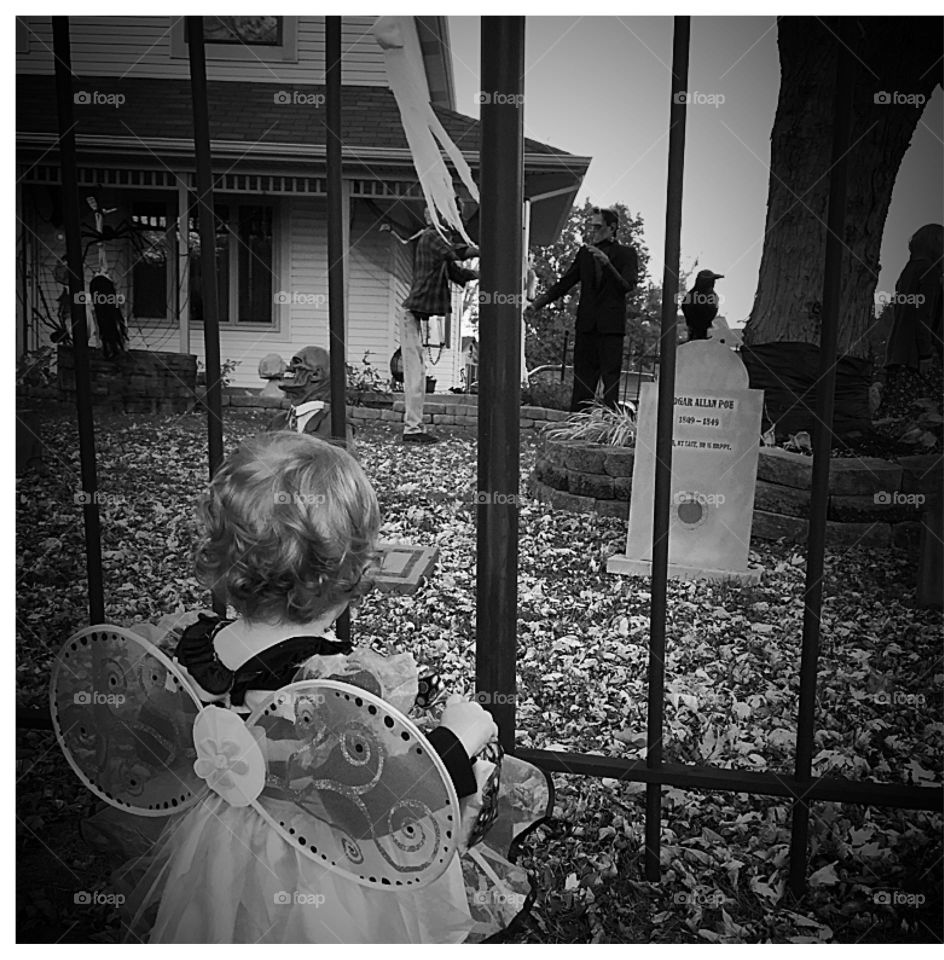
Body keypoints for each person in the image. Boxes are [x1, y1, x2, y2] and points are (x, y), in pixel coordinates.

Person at [96, 431, 550, 943]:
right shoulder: (332, 685)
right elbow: (384, 801)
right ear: (348, 572)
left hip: (220, 846)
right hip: (328, 868)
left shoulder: (195, 649)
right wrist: (458, 737)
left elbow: (151, 741)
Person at [525, 207, 638, 411]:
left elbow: (626, 286)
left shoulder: (627, 254)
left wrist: (608, 265)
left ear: (612, 228)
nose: (593, 231)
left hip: (611, 327)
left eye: (598, 227)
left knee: (610, 379)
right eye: (591, 227)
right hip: (586, 325)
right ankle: (578, 422)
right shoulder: (585, 253)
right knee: (583, 379)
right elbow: (565, 282)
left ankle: (608, 424)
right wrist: (538, 304)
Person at [398, 203, 479, 443]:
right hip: (411, 314)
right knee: (415, 375)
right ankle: (412, 430)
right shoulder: (432, 237)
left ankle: (414, 427)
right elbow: (456, 252)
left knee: (419, 373)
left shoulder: (437, 244)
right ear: (442, 216)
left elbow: (457, 272)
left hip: (417, 316)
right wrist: (483, 251)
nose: (459, 221)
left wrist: (480, 274)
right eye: (455, 215)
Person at [878, 223, 943, 418]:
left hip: (898, 352)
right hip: (916, 357)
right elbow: (922, 315)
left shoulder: (908, 271)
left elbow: (905, 311)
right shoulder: (929, 272)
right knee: (930, 412)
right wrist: (926, 354)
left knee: (895, 412)